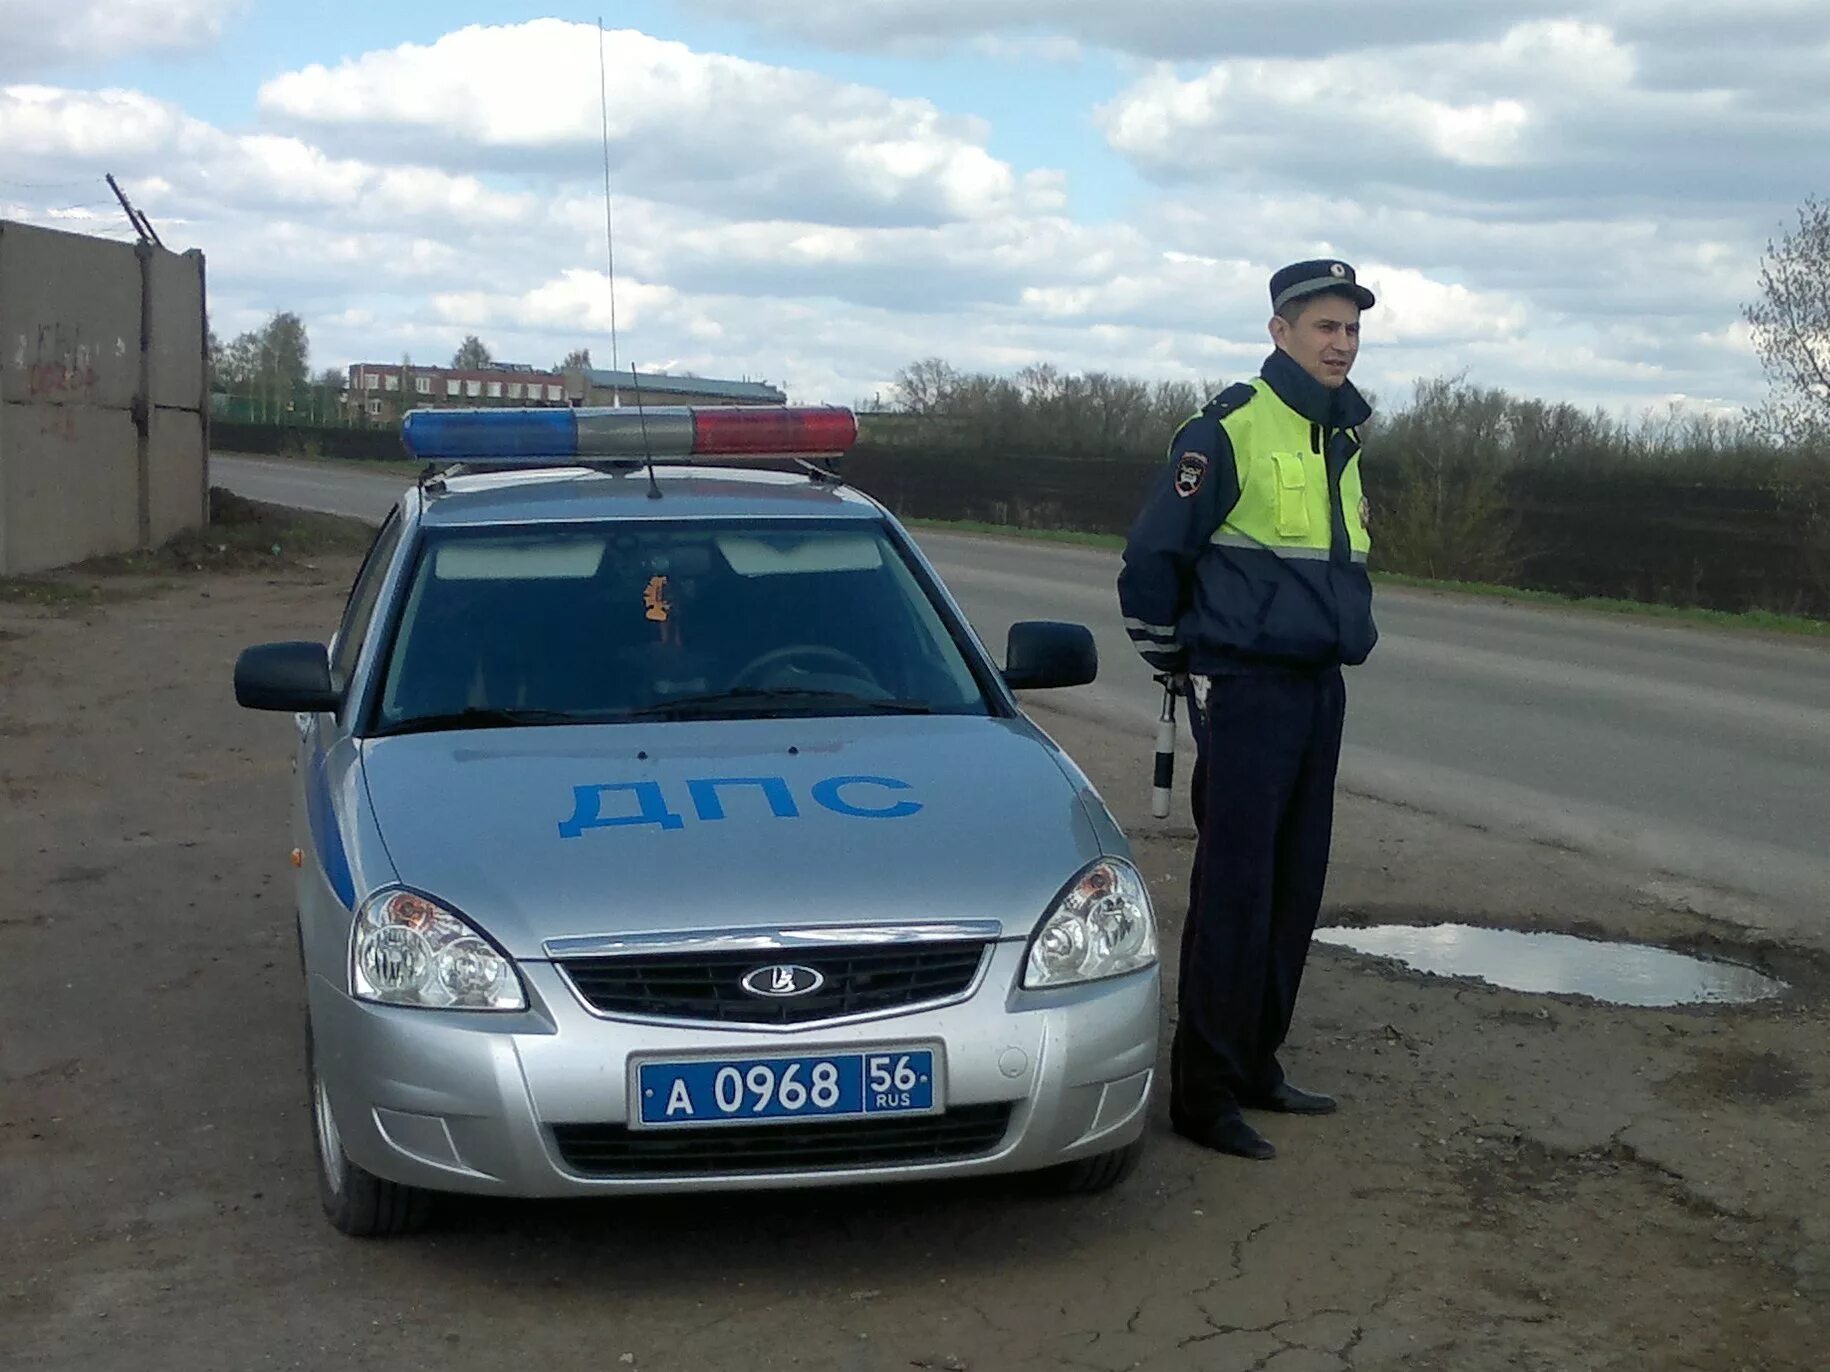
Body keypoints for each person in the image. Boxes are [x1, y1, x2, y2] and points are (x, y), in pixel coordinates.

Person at [1117, 259, 1379, 1160]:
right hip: (1245, 685)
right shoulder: (1225, 430)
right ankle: (1204, 1092)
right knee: (1236, 889)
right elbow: (1153, 560)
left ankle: (1258, 1061)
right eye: (1324, 327)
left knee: (1295, 880)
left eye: (1350, 328)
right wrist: (1179, 661)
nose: (1341, 343)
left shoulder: (1341, 437)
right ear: (1280, 332)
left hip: (1316, 684)